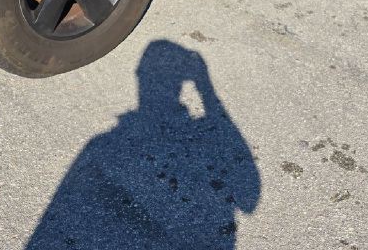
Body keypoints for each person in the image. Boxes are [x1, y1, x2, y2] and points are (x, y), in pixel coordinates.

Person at [26, 40, 260, 249]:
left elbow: (249, 198)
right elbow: (248, 198)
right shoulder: (100, 143)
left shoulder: (100, 143)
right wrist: (206, 89)